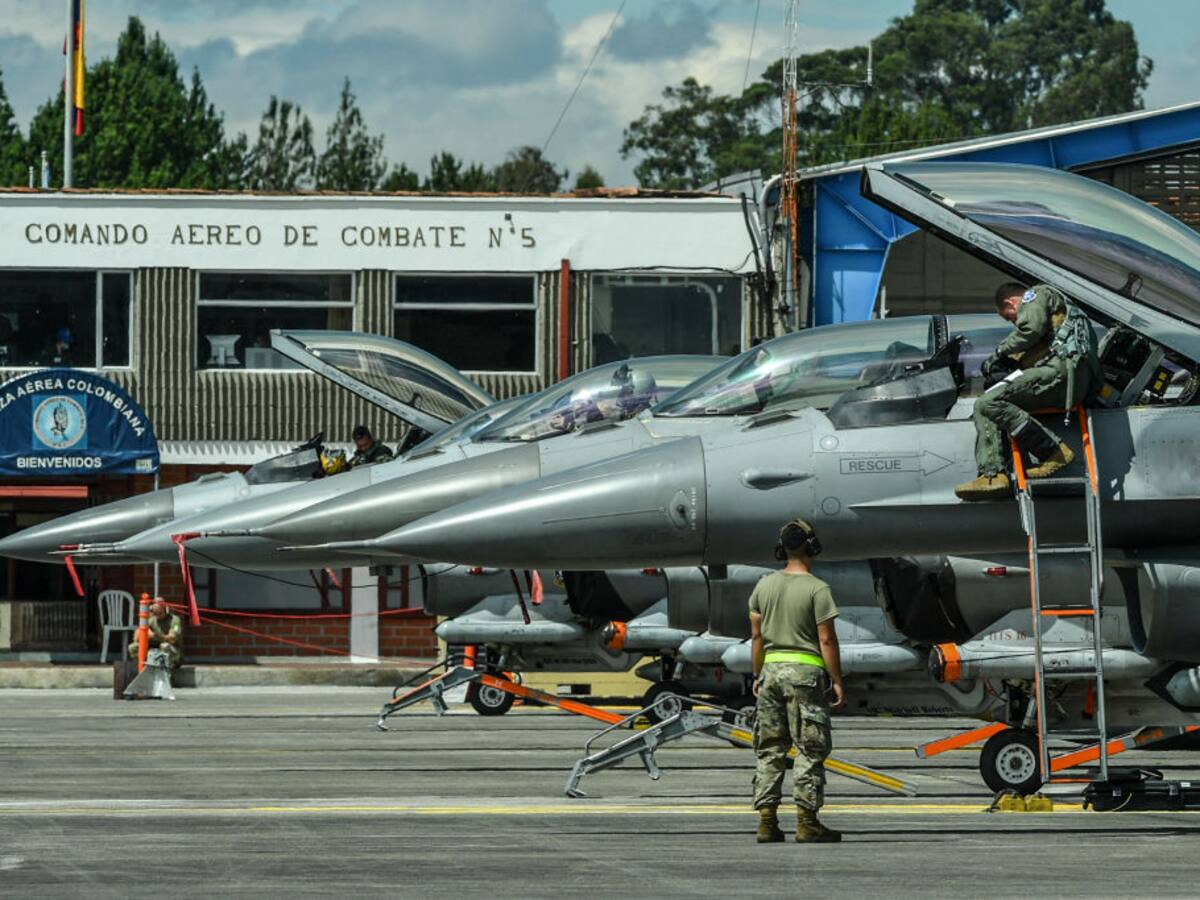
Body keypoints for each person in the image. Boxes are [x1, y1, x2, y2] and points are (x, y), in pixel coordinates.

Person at [955, 282, 1102, 502]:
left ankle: (1052, 452)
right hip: (1070, 377)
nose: (1015, 323)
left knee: (986, 403)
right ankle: (993, 475)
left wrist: (999, 352)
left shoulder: (1035, 295)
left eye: (1010, 318)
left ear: (1010, 303)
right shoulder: (1058, 315)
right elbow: (1039, 341)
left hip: (1060, 373)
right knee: (987, 404)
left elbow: (1030, 329)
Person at [749, 519, 845, 844]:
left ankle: (767, 821)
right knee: (809, 747)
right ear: (811, 546)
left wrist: (757, 674)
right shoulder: (817, 589)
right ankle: (807, 822)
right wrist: (836, 680)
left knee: (770, 748)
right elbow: (827, 639)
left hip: (771, 674)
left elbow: (757, 637)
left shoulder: (763, 586)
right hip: (805, 676)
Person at [128, 600, 183, 669]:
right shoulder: (152, 620)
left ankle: (167, 668)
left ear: (166, 610)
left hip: (173, 652)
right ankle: (141, 668)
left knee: (165, 646)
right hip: (156, 650)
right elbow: (136, 637)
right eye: (155, 613)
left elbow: (172, 638)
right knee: (133, 647)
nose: (157, 616)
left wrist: (156, 636)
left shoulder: (174, 620)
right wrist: (145, 632)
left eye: (160, 613)